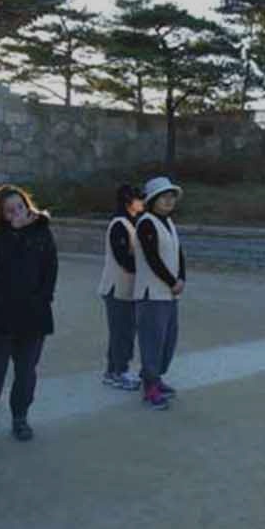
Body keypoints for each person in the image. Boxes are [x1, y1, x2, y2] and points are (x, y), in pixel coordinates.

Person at [0, 185, 58, 450]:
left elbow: (50, 267)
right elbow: (2, 265)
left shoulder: (42, 230)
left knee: (26, 372)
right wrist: (16, 232)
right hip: (0, 314)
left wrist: (44, 299)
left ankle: (20, 417)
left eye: (20, 206)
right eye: (10, 210)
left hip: (34, 315)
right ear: (0, 215)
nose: (18, 213)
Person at [134, 176, 186, 411]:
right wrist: (171, 281)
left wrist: (181, 278)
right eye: (164, 197)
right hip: (152, 293)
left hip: (169, 294)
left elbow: (178, 253)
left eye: (171, 197)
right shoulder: (146, 222)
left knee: (168, 340)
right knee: (152, 341)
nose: (169, 200)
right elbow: (151, 257)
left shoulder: (168, 222)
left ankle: (156, 377)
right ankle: (150, 387)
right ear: (153, 199)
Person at [98, 185, 144, 392]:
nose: (142, 202)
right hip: (117, 289)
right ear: (128, 201)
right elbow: (124, 259)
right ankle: (119, 372)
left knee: (121, 332)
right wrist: (146, 268)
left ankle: (112, 371)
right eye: (138, 198)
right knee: (122, 333)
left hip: (126, 289)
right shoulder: (119, 224)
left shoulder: (130, 223)